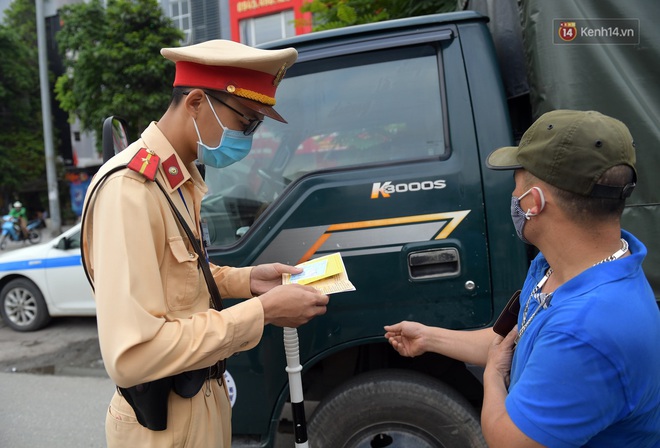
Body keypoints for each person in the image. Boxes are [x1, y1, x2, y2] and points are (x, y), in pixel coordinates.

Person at [81, 39, 329, 448]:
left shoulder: (177, 178)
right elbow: (132, 357)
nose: (249, 137)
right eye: (246, 122)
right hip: (164, 426)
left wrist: (248, 281)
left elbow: (178, 277)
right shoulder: (131, 189)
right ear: (196, 102)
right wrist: (262, 313)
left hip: (203, 402)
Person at [384, 110, 660, 447]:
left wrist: (493, 377)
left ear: (534, 202)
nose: (512, 195)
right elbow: (511, 342)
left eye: (516, 183)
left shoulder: (585, 330)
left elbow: (507, 440)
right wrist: (430, 338)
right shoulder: (560, 267)